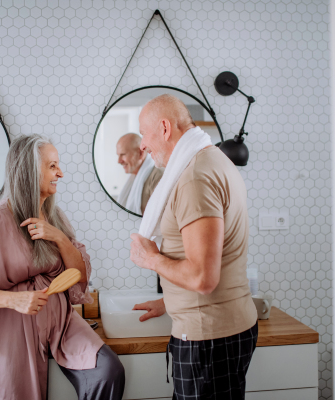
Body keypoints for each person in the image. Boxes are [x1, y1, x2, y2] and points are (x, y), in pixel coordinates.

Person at [0, 134, 125, 400]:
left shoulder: (55, 216)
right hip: (11, 329)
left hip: (62, 323)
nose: (61, 173)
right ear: (30, 171)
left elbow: (78, 272)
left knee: (108, 371)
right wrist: (15, 300)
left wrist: (56, 235)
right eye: (52, 166)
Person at [130, 95, 259, 399]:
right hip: (219, 329)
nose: (142, 146)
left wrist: (152, 259)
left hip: (209, 336)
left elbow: (203, 277)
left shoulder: (193, 179)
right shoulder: (210, 160)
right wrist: (168, 301)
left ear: (164, 128)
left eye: (144, 134)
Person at [116, 132, 163, 214]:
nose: (119, 161)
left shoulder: (157, 175)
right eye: (118, 155)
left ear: (140, 153)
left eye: (123, 154)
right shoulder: (133, 178)